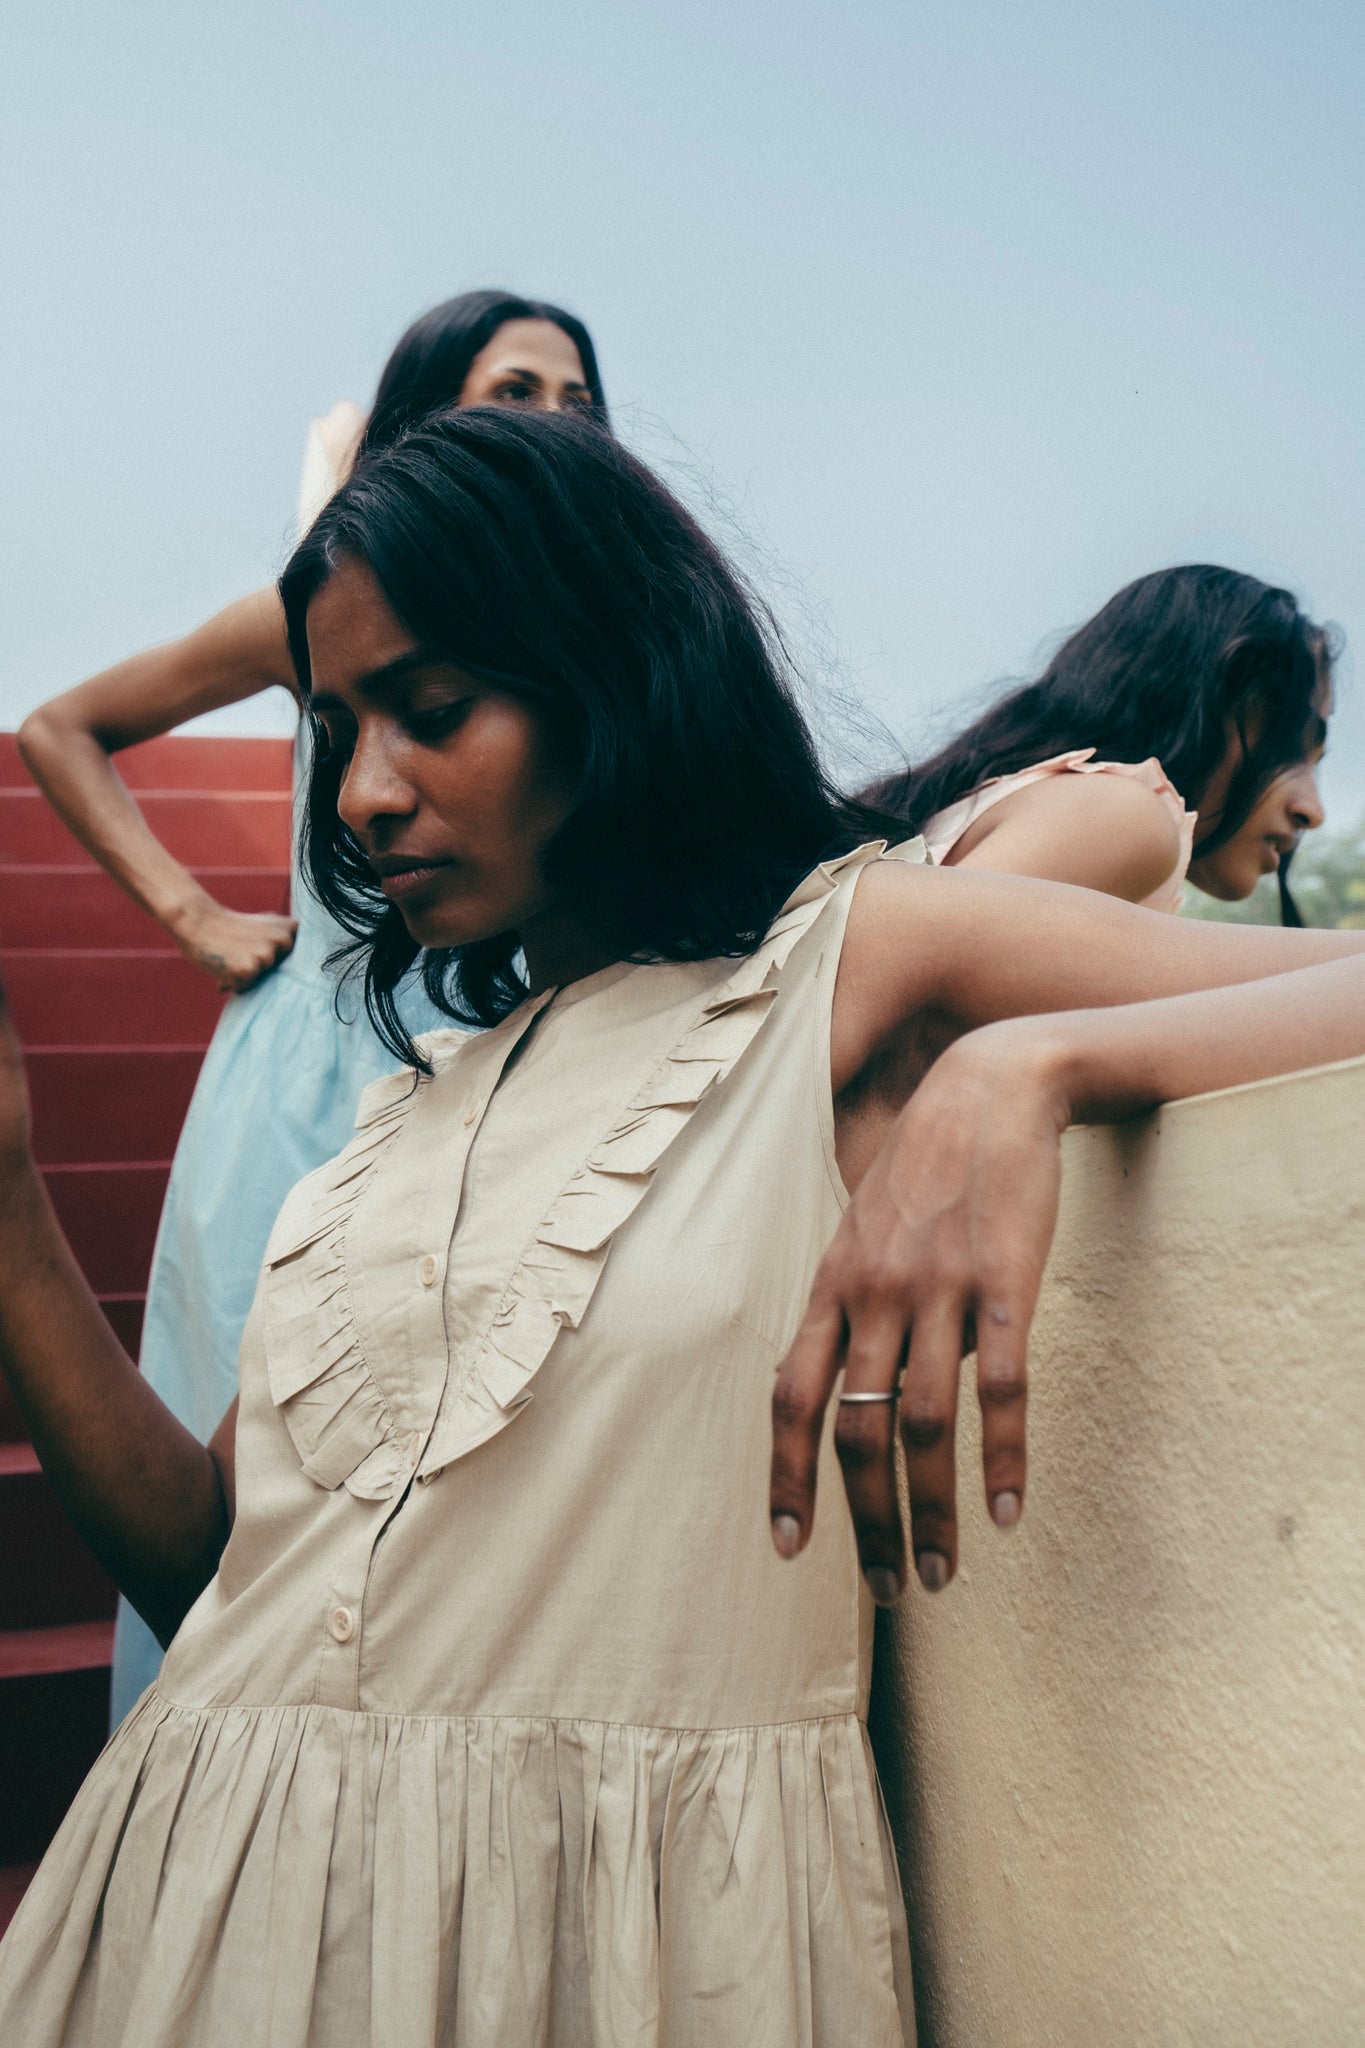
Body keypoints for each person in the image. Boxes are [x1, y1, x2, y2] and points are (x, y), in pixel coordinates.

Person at [1, 409, 1363, 2046]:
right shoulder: (405, 1112)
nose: (359, 792)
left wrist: (1031, 1059)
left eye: (434, 712)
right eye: (340, 723)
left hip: (619, 1964)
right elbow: (211, 1560)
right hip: (185, 1923)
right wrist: (12, 1199)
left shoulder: (849, 956)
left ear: (609, 673)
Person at [16, 288, 609, 1725]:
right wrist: (194, 915)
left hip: (490, 1058)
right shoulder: (324, 603)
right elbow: (60, 727)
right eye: (513, 389)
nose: (550, 422)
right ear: (419, 414)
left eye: (575, 403)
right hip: (302, 1074)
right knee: (247, 1481)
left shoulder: (591, 639)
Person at [867, 566, 1332, 919]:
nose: (1312, 811)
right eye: (1288, 747)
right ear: (1194, 701)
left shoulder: (1032, 801)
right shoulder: (1119, 814)